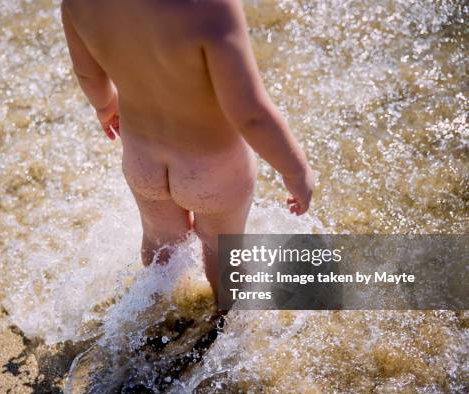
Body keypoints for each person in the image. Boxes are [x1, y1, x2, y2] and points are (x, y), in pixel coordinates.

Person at [61, 0, 314, 298]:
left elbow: (88, 74)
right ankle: (226, 328)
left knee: (160, 245)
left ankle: (158, 316)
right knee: (224, 254)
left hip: (143, 161)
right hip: (213, 170)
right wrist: (296, 171)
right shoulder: (210, 7)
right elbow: (252, 115)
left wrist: (105, 108)